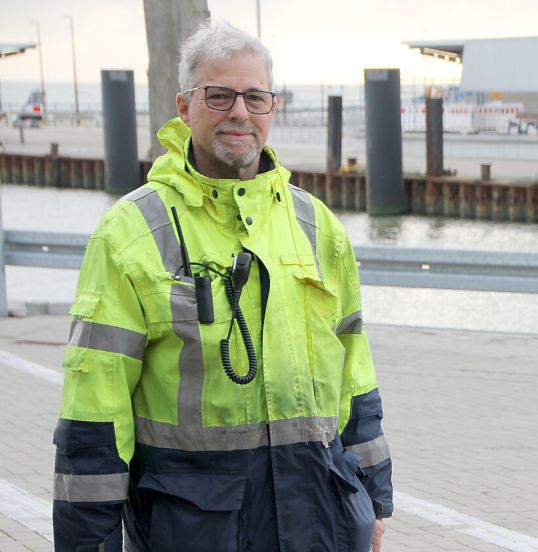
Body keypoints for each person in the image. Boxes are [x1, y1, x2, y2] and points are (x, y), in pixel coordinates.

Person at [52, 20, 392, 552]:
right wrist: (88, 541)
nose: (240, 111)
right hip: (195, 529)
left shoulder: (317, 225)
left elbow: (355, 370)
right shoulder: (132, 232)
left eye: (256, 97)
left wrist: (374, 498)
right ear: (185, 107)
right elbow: (94, 407)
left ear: (272, 108)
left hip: (320, 519)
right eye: (220, 95)